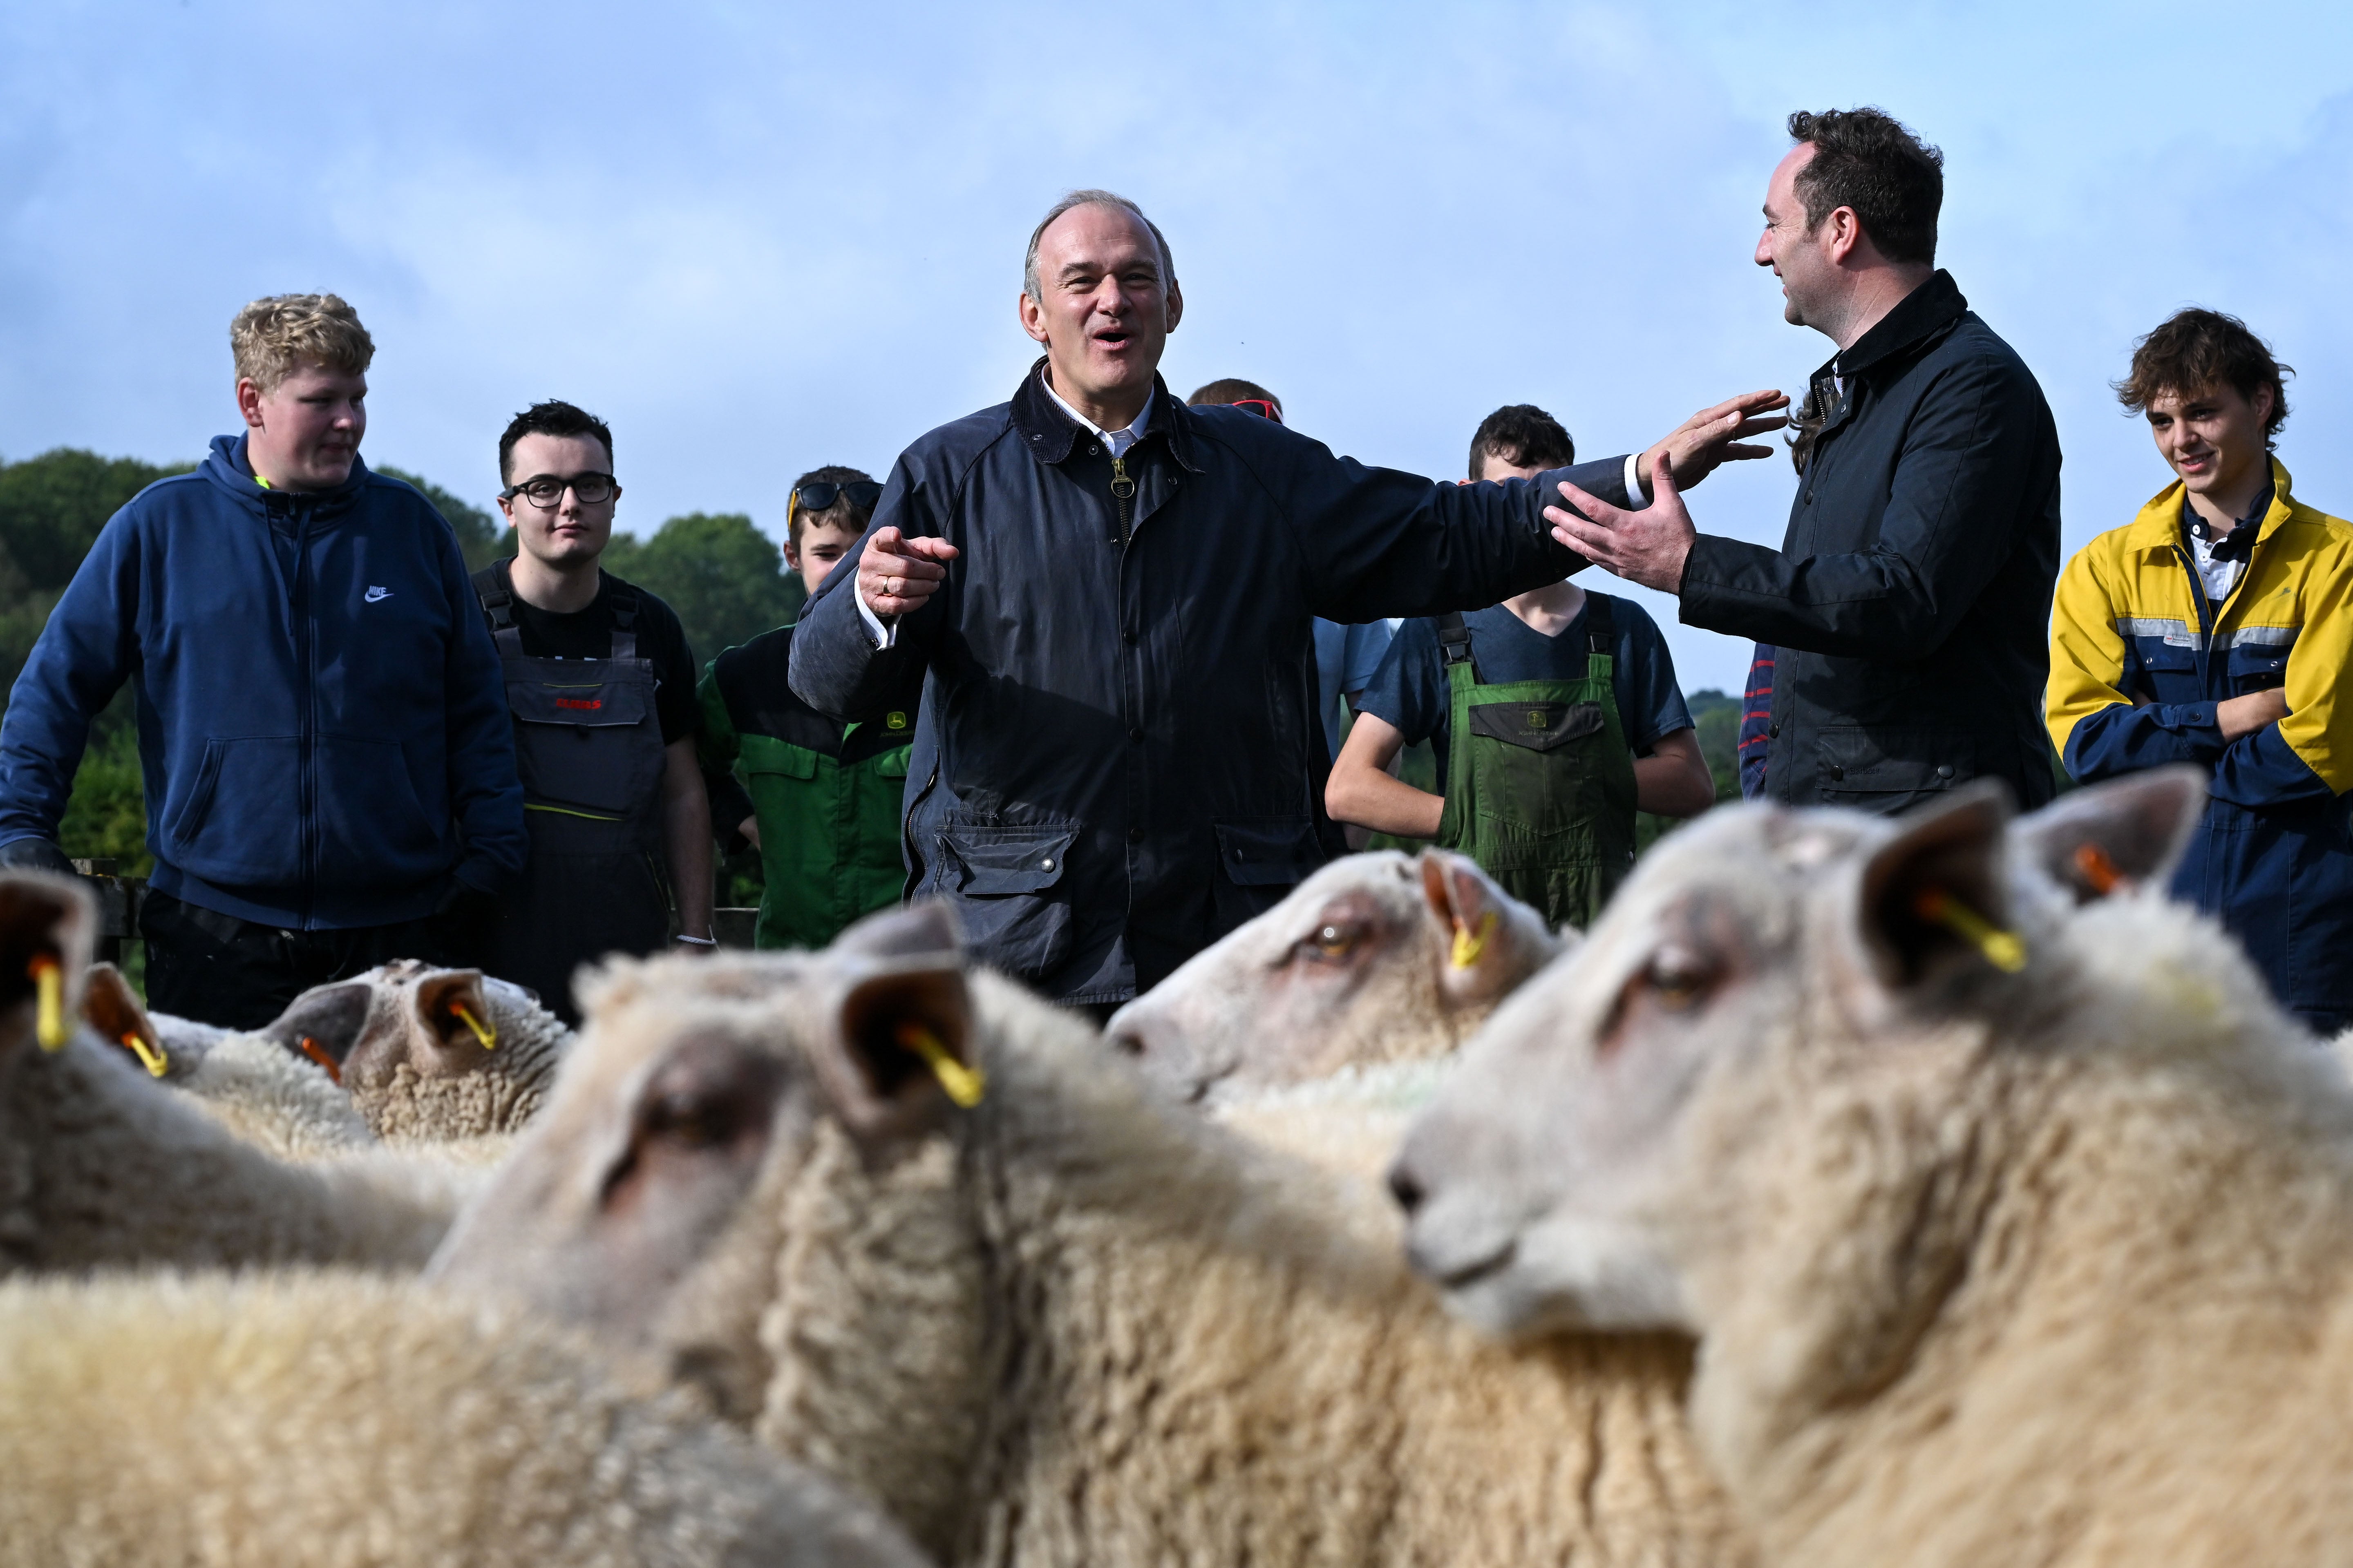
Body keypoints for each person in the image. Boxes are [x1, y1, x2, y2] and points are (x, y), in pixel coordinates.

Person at [788, 188, 1782, 1010]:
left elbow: (1447, 531)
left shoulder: (1257, 473)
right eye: (1080, 282)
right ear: (1032, 315)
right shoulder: (952, 473)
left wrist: (1629, 473)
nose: (1111, 304)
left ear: (1174, 305)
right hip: (1022, 959)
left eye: (1137, 280)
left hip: (1223, 961)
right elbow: (822, 686)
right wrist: (867, 607)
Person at [0, 293, 525, 1028]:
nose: (350, 420)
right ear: (252, 400)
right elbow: (55, 689)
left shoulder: (413, 530)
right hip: (214, 932)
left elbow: (475, 705)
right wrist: (23, 827)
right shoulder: (159, 527)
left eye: (357, 398)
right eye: (322, 400)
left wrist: (493, 853)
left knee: (391, 1148)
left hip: (401, 937)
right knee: (225, 1146)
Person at [1547, 107, 2062, 815]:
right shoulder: (1859, 391)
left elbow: (1903, 597)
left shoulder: (1971, 386)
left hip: (1930, 850)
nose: (1762, 252)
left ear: (1840, 231)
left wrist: (1691, 567)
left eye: (1773, 224)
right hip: (1839, 833)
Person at [2047, 309, 2353, 1033]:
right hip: (2149, 936)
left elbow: (2323, 748)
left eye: (2202, 413)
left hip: (2302, 932)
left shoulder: (2337, 561)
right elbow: (2083, 742)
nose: (2179, 440)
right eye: (2160, 421)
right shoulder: (2101, 569)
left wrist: (2158, 748)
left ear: (2260, 402)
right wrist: (2233, 716)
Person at [1326, 404, 1714, 928]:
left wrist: (1571, 779)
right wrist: (1472, 819)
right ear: (1469, 499)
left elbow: (1692, 783)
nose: (1533, 519)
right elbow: (1348, 789)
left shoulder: (1623, 630)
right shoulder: (1437, 634)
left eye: (1549, 497)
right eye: (1513, 498)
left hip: (1596, 937)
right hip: (1479, 934)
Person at [473, 401, 711, 1023]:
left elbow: (683, 790)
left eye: (589, 484)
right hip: (484, 957)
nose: (569, 504)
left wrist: (694, 934)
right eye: (543, 488)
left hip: (626, 965)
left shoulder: (653, 626)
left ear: (614, 495)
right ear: (509, 507)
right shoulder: (460, 619)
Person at [697, 467, 922, 949]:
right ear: (792, 557)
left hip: (907, 965)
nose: (845, 569)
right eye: (826, 553)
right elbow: (686, 767)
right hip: (789, 961)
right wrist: (747, 826)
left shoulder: (932, 675)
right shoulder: (745, 676)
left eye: (861, 553)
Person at [1183, 378, 1393, 765]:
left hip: (1310, 820)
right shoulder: (1162, 570)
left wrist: (1345, 826)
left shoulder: (1339, 571)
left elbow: (1379, 725)